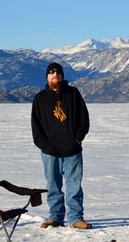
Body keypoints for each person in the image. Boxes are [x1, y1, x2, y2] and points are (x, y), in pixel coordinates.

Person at [31, 62, 91, 229]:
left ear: (62, 76)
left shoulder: (73, 93)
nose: (54, 75)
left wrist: (78, 139)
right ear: (47, 77)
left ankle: (75, 218)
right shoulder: (40, 98)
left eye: (58, 73)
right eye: (51, 73)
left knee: (74, 185)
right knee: (53, 185)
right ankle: (55, 217)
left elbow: (84, 118)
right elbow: (36, 127)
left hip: (72, 149)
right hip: (50, 151)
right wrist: (44, 145)